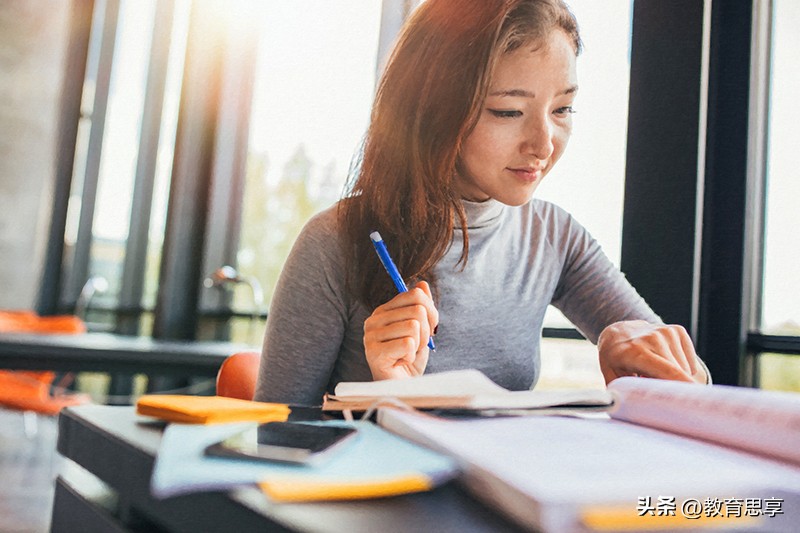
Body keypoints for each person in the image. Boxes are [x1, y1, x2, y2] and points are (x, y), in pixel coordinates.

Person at [254, 0, 709, 406]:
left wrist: (641, 349)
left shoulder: (555, 238)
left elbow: (695, 385)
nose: (543, 144)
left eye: (562, 110)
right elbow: (273, 437)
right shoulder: (336, 242)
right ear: (434, 108)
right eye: (508, 112)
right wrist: (386, 397)